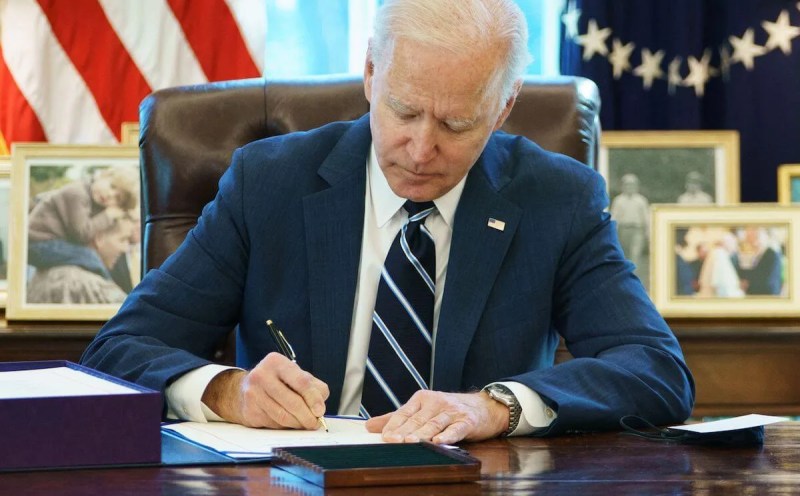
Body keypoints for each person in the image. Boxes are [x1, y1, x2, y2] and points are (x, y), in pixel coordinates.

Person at [81, 0, 693, 443]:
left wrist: (499, 407)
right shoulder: (268, 182)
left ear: (504, 108)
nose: (420, 149)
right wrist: (224, 391)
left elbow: (654, 369)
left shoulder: (558, 199)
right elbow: (118, 350)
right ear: (372, 74)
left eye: (456, 125)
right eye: (403, 110)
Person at [27, 166, 140, 293]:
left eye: (117, 198)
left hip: (49, 243)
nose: (110, 195)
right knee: (89, 257)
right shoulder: (76, 193)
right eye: (112, 186)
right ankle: (106, 290)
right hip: (36, 243)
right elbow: (81, 234)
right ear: (102, 175)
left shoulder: (92, 198)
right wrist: (108, 214)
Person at [27, 216, 135, 304]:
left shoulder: (42, 273)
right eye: (123, 239)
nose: (125, 248)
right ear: (99, 238)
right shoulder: (91, 285)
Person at [609, 174, 649, 271]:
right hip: (623, 230)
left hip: (637, 230)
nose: (629, 187)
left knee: (635, 255)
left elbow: (647, 218)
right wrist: (612, 232)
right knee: (624, 254)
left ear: (636, 186)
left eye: (632, 185)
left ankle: (634, 276)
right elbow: (614, 216)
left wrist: (648, 232)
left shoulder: (641, 200)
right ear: (623, 186)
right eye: (627, 185)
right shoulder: (619, 200)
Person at [734, 227, 783, 295]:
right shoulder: (752, 254)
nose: (748, 242)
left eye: (751, 237)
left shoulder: (771, 254)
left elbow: (768, 282)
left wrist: (747, 284)